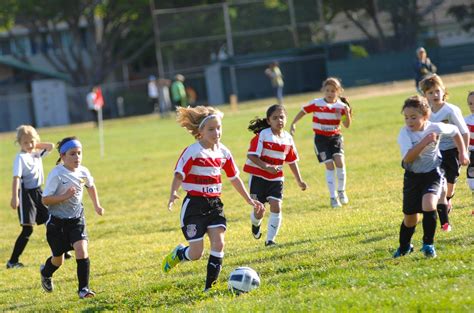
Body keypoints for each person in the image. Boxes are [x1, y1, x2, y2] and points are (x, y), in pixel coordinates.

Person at [162, 106, 264, 291]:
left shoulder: (224, 152)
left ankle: (210, 287)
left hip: (215, 204)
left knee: (219, 242)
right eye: (211, 129)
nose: (216, 132)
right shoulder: (192, 152)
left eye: (218, 128)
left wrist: (248, 199)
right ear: (200, 132)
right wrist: (173, 193)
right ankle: (179, 253)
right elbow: (178, 175)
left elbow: (234, 178)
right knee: (196, 253)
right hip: (194, 205)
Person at [394, 95, 468, 258]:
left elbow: (456, 131)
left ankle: (428, 245)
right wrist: (425, 142)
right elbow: (408, 158)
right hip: (412, 177)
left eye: (414, 117)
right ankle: (404, 246)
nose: (409, 121)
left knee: (429, 204)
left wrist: (462, 152)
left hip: (433, 174)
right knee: (410, 219)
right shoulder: (405, 133)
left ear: (425, 116)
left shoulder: (435, 127)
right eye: (406, 117)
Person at [39, 137, 105, 299]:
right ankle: (45, 272)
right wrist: (64, 196)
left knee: (81, 250)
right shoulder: (57, 174)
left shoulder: (83, 171)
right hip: (57, 224)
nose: (77, 157)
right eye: (73, 154)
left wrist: (97, 205)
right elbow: (45, 200)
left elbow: (90, 186)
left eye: (79, 153)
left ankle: (83, 289)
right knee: (58, 260)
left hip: (76, 219)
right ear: (62, 156)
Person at [243, 104, 307, 246]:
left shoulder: (288, 139)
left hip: (276, 178)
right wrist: (266, 167)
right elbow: (252, 156)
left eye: (282, 117)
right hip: (258, 177)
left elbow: (292, 161)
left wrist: (299, 180)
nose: (279, 120)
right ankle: (255, 224)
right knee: (259, 210)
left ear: (286, 119)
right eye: (275, 118)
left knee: (276, 205)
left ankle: (270, 240)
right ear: (268, 121)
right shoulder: (263, 135)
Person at [290, 77, 352, 208]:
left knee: (340, 161)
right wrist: (294, 123)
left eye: (333, 91)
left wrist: (344, 115)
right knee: (329, 166)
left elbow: (346, 125)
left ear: (339, 92)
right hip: (321, 139)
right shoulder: (317, 103)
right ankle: (333, 197)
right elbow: (303, 111)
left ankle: (341, 191)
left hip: (335, 137)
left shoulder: (341, 107)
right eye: (327, 90)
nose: (330, 93)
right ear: (323, 90)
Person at [419, 74, 469, 231]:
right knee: (440, 185)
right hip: (437, 152)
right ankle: (444, 221)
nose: (434, 95)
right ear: (424, 95)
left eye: (437, 91)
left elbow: (464, 132)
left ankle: (447, 200)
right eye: (430, 92)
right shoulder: (426, 112)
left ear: (443, 91)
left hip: (454, 151)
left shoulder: (451, 110)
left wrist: (464, 152)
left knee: (450, 187)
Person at [7, 125, 54, 269]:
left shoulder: (36, 153)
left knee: (51, 222)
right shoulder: (20, 158)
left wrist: (34, 143)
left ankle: (60, 252)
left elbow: (51, 146)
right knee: (28, 229)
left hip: (38, 192)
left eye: (31, 141)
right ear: (19, 143)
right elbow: (16, 178)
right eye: (25, 142)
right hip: (25, 194)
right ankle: (13, 261)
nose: (29, 145)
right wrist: (15, 197)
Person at [464, 91, 474, 216]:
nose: (472, 106)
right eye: (470, 103)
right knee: (472, 181)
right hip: (472, 154)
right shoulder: (465, 120)